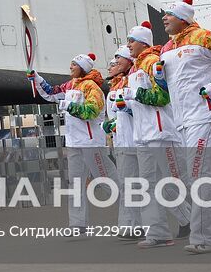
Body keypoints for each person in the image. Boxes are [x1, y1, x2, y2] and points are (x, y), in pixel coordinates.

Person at [137, 0, 211, 254]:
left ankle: (203, 237)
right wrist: (160, 78)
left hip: (207, 114)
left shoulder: (205, 37)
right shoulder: (167, 48)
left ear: (183, 17)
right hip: (183, 120)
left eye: (169, 14)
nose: (164, 18)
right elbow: (168, 89)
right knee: (206, 174)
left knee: (198, 174)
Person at [121, 21, 190, 248]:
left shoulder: (153, 62)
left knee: (175, 182)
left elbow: (162, 97)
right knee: (148, 184)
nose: (128, 45)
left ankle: (209, 216)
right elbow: (141, 104)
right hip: (143, 134)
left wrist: (135, 94)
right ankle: (159, 232)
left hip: (161, 133)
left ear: (143, 42)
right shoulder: (133, 68)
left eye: (132, 41)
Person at [31, 52, 116, 231]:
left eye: (73, 64)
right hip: (74, 142)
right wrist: (36, 77)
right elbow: (50, 93)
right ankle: (77, 223)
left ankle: (133, 209)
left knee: (105, 179)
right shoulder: (70, 85)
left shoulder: (92, 88)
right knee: (75, 183)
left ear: (82, 68)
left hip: (91, 143)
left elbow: (91, 112)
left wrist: (69, 106)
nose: (70, 67)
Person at [105, 46, 144, 238]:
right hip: (122, 142)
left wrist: (127, 109)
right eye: (112, 62)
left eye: (117, 61)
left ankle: (185, 218)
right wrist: (111, 125)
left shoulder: (133, 81)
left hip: (139, 140)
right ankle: (132, 226)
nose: (112, 65)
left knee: (162, 184)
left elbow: (141, 108)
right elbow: (114, 116)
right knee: (128, 185)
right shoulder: (114, 87)